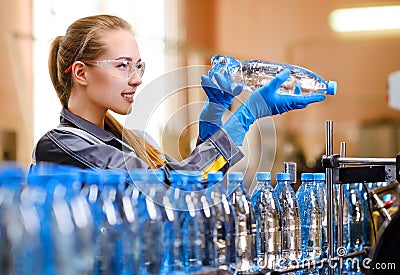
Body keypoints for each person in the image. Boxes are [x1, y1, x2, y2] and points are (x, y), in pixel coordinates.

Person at [31, 14, 325, 177]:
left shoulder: (130, 142)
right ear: (81, 73)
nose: (137, 79)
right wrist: (245, 117)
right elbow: (172, 190)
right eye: (123, 66)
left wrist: (214, 113)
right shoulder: (60, 145)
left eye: (138, 66)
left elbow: (197, 181)